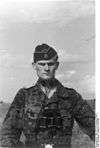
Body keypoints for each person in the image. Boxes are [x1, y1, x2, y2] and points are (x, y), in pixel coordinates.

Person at [0, 44, 95, 148]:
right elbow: (7, 135)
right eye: (42, 64)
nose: (46, 68)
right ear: (34, 65)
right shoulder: (24, 96)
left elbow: (95, 129)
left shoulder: (71, 96)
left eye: (50, 64)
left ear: (57, 65)